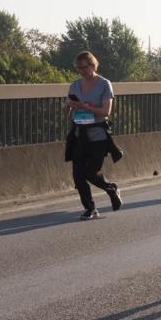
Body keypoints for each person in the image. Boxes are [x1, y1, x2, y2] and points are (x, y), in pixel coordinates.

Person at [64, 51, 122, 220]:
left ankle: (111, 188)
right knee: (78, 175)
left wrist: (85, 107)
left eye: (84, 67)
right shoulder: (74, 85)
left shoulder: (104, 84)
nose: (81, 71)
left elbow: (106, 112)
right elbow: (66, 112)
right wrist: (69, 106)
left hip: (97, 135)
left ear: (93, 65)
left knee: (91, 172)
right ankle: (90, 208)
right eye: (78, 68)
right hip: (78, 134)